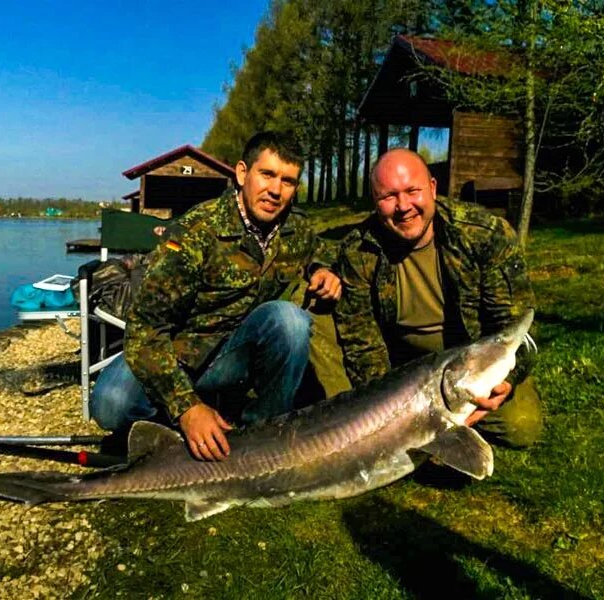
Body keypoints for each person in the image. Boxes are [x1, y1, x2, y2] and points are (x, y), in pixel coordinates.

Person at [89, 132, 341, 461]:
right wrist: (187, 408)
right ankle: (180, 425)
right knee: (109, 406)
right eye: (267, 175)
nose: (276, 191)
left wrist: (323, 270)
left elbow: (321, 252)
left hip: (235, 355)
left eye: (288, 181)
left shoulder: (297, 228)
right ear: (241, 173)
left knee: (290, 322)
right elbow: (145, 328)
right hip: (175, 352)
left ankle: (259, 436)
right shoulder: (195, 233)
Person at [334, 148, 542, 447]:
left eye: (412, 191)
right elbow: (362, 346)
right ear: (375, 203)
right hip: (402, 372)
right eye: (389, 197)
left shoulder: (484, 233)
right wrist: (393, 416)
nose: (403, 206)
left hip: (471, 366)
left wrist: (507, 382)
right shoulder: (357, 252)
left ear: (432, 188)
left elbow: (517, 329)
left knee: (522, 428)